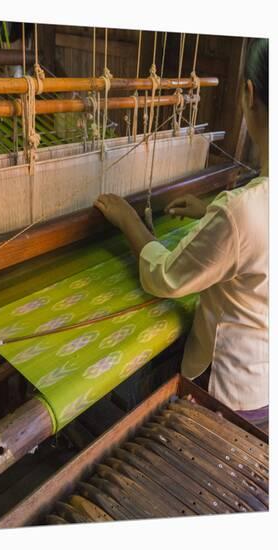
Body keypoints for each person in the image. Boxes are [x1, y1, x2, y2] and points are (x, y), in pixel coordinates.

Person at [94, 38, 268, 428]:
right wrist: (209, 210)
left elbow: (166, 276)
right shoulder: (246, 208)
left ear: (249, 94)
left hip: (223, 397)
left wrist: (128, 220)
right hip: (263, 387)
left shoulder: (240, 211)